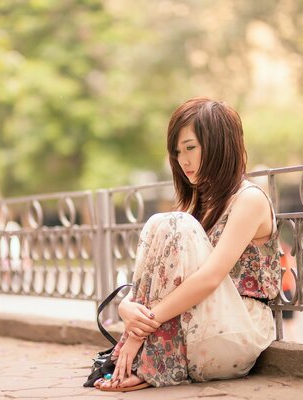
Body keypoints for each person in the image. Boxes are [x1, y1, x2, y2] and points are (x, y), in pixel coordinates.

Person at [94, 97, 281, 392]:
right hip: (195, 329)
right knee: (161, 221)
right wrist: (127, 308)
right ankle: (151, 362)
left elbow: (208, 279)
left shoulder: (250, 200)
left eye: (190, 147)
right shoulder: (195, 204)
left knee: (172, 222)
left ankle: (151, 363)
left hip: (236, 333)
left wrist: (139, 332)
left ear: (219, 144)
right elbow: (156, 277)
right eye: (177, 152)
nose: (183, 160)